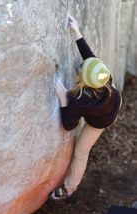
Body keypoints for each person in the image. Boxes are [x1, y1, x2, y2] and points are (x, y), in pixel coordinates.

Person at [49, 16, 122, 201]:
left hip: (101, 121)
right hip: (114, 104)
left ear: (84, 81)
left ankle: (69, 188)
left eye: (82, 69)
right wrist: (76, 31)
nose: (82, 65)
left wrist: (64, 98)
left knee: (81, 153)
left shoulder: (79, 99)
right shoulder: (104, 76)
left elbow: (68, 124)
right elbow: (90, 57)